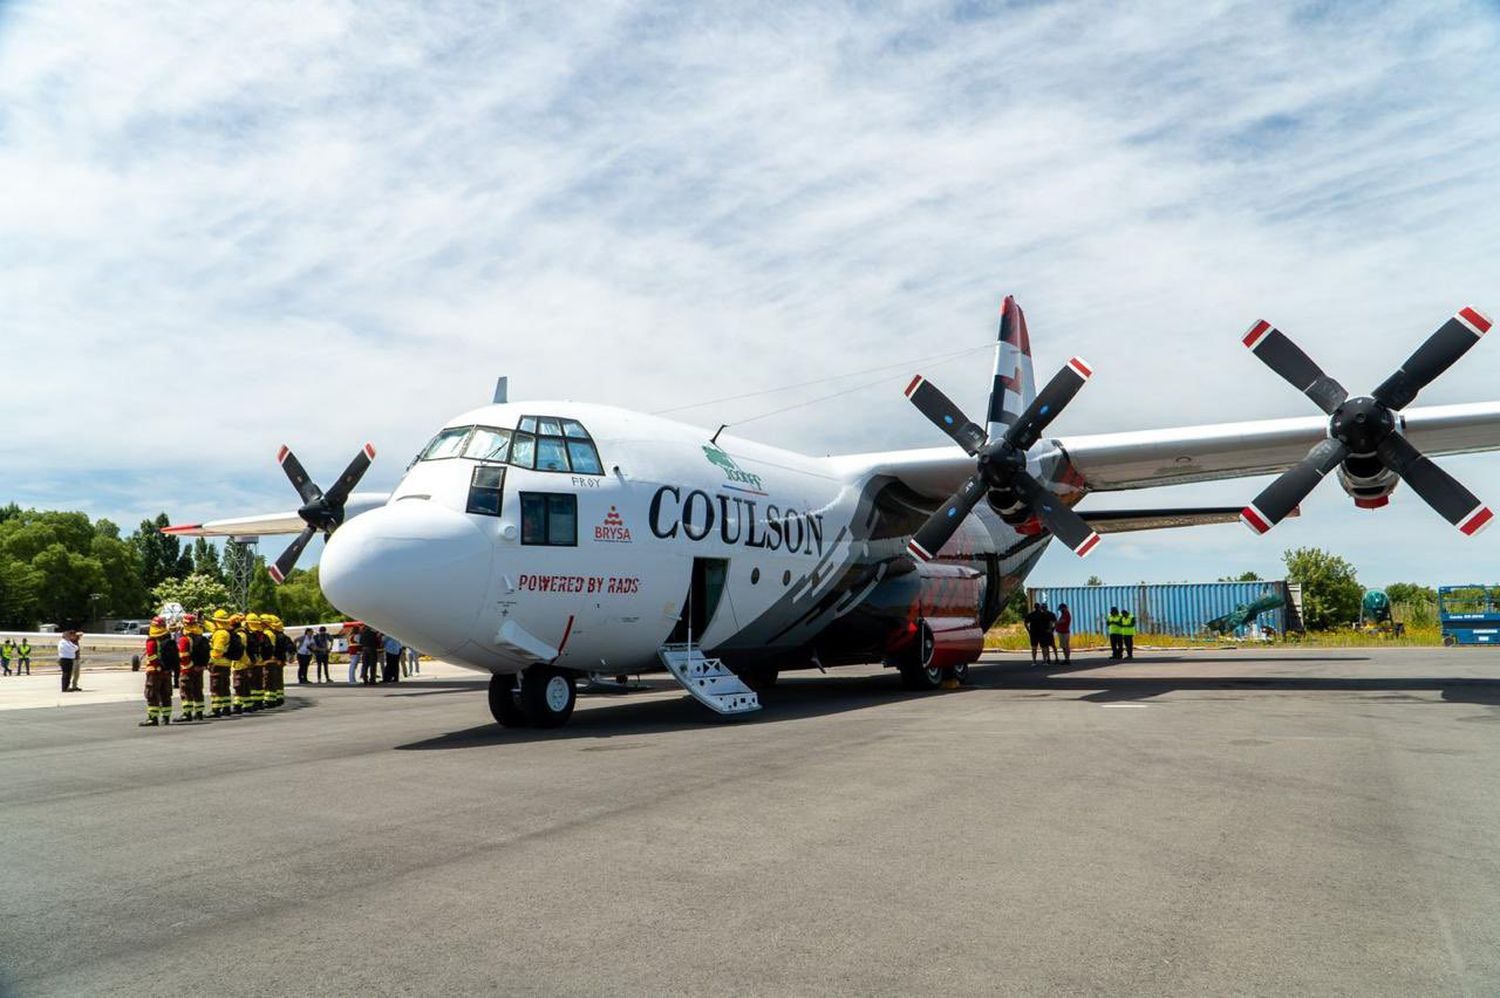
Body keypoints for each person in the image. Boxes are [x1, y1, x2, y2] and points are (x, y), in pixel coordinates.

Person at [140, 617, 173, 727]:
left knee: (152, 695)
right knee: (166, 694)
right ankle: (166, 717)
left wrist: (158, 666)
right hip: (167, 672)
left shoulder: (152, 640)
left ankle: (153, 718)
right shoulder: (167, 638)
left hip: (154, 672)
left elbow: (152, 656)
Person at [178, 613, 208, 722]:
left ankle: (187, 713)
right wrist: (200, 666)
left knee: (186, 691)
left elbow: (183, 656)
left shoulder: (184, 639)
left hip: (188, 670)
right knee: (198, 691)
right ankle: (199, 713)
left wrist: (189, 666)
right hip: (199, 669)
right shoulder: (201, 637)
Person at [209, 610, 235, 717]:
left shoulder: (220, 634)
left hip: (218, 663)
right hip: (226, 663)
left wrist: (210, 659)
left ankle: (216, 709)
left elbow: (217, 651)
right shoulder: (226, 631)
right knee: (224, 687)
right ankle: (226, 707)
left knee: (216, 687)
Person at [226, 612, 251, 714]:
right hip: (243, 663)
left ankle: (238, 705)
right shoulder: (243, 633)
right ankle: (247, 705)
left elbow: (241, 651)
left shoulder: (240, 635)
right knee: (244, 686)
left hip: (240, 664)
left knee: (239, 686)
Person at [245, 613, 269, 711]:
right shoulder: (262, 634)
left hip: (253, 663)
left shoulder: (250, 635)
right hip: (261, 662)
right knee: (259, 684)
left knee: (252, 684)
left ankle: (254, 703)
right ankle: (259, 702)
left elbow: (249, 649)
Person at [269, 615, 293, 706]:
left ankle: (273, 698)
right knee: (278, 680)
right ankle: (279, 697)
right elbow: (291, 647)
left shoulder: (274, 636)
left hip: (274, 661)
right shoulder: (284, 637)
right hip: (281, 661)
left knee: (272, 680)